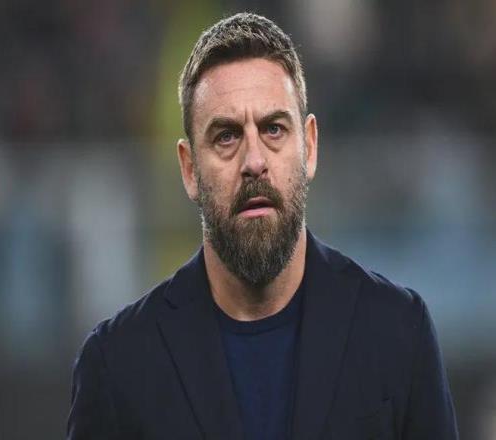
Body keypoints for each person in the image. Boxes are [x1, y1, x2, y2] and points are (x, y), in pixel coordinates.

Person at [67, 12, 458, 440]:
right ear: (189, 169)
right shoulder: (118, 364)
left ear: (309, 147)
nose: (254, 161)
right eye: (226, 136)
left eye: (273, 129)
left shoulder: (398, 332)